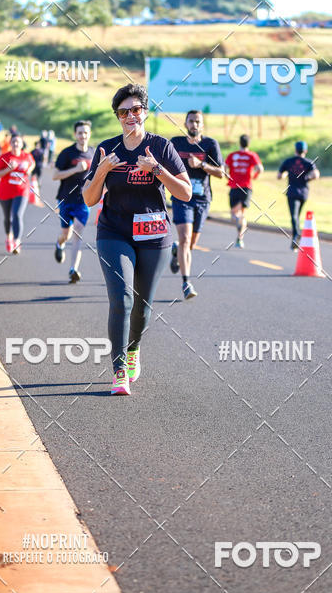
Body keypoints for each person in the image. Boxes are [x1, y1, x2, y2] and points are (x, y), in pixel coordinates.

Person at [82, 84, 191, 396]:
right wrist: (101, 170)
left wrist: (157, 170)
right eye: (123, 112)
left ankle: (133, 350)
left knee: (142, 306)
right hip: (114, 232)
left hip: (154, 234)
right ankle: (119, 372)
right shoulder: (107, 149)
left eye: (136, 110)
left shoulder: (162, 147)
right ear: (117, 117)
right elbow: (89, 199)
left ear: (145, 111)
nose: (130, 116)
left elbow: (184, 192)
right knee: (122, 299)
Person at [169, 110, 224, 299]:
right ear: (185, 124)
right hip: (181, 198)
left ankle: (177, 253)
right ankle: (186, 282)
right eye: (191, 121)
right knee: (185, 239)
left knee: (190, 244)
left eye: (197, 122)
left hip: (202, 199)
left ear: (202, 125)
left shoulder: (210, 144)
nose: (194, 125)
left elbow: (221, 173)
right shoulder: (176, 143)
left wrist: (201, 165)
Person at [52, 120, 95, 283]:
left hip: (83, 201)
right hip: (65, 199)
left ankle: (73, 269)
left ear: (89, 134)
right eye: (80, 133)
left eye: (85, 132)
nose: (83, 135)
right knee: (66, 234)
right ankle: (59, 243)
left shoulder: (93, 153)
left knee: (78, 231)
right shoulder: (67, 153)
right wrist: (75, 170)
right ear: (75, 135)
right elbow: (55, 175)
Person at [0, 134, 35, 254]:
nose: (16, 144)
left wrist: (29, 169)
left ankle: (16, 241)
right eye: (14, 142)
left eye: (18, 142)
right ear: (10, 144)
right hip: (5, 192)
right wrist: (8, 169)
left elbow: (32, 164)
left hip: (22, 191)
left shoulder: (27, 156)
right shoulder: (4, 157)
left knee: (17, 215)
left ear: (22, 144)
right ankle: (8, 237)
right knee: (8, 218)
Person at [277, 140, 320, 250]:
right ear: (305, 150)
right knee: (297, 215)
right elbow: (316, 174)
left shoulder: (289, 161)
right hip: (303, 193)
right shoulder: (308, 162)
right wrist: (307, 178)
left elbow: (279, 175)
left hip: (292, 192)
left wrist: (285, 174)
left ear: (295, 150)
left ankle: (296, 235)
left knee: (294, 215)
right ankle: (296, 236)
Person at [224, 135, 263, 248]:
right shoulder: (252, 155)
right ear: (249, 144)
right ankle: (240, 238)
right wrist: (255, 176)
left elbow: (224, 168)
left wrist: (228, 176)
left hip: (235, 187)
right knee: (242, 214)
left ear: (239, 143)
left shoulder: (232, 155)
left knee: (234, 214)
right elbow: (260, 168)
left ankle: (239, 235)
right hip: (246, 188)